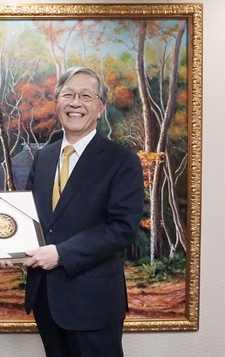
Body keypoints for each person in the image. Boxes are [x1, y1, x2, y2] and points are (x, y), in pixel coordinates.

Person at [23, 66, 144, 357]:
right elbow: (30, 218)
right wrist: (5, 249)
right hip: (46, 300)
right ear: (57, 102)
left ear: (101, 107)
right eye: (68, 94)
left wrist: (61, 253)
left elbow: (122, 228)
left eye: (86, 95)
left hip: (94, 303)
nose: (75, 102)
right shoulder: (44, 157)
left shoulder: (121, 161)